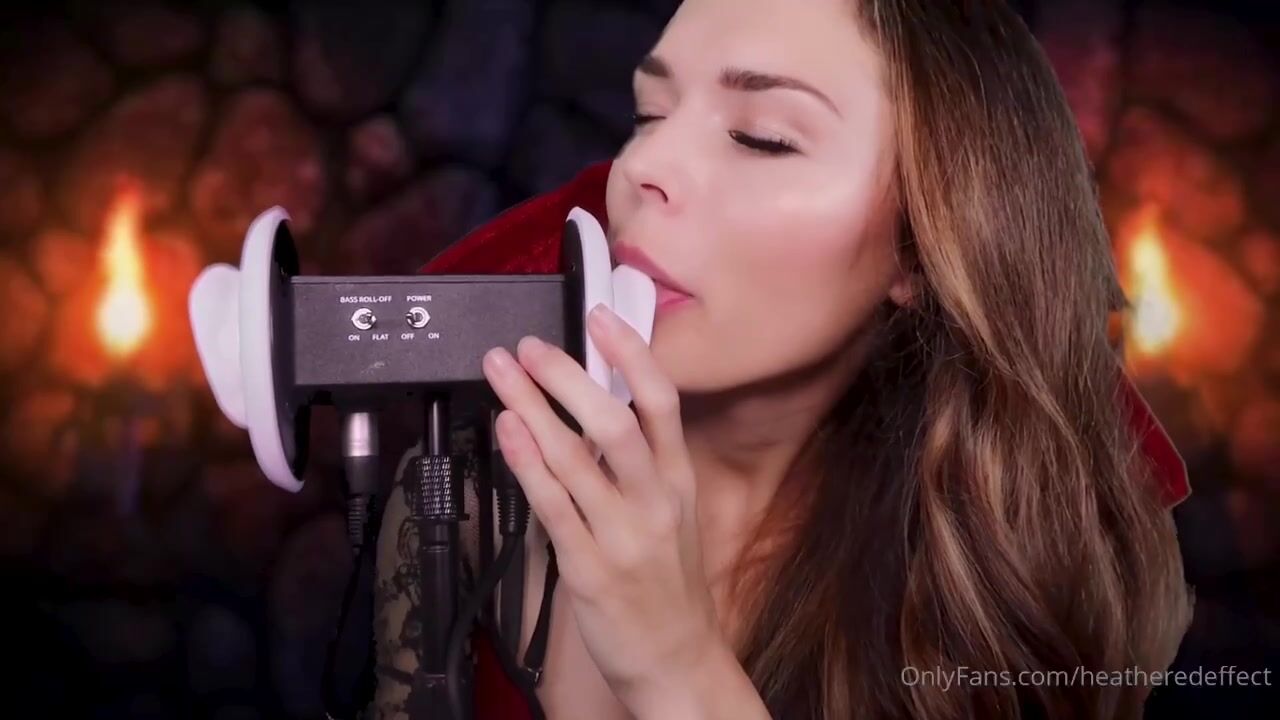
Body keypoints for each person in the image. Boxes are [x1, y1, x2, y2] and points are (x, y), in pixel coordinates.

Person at [374, 0, 1194, 718]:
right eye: (649, 115)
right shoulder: (463, 500)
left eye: (761, 138)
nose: (639, 168)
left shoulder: (1012, 572)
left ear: (920, 247)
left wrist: (677, 672)